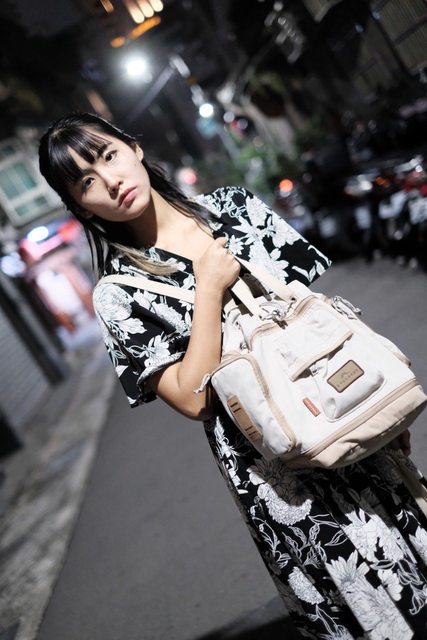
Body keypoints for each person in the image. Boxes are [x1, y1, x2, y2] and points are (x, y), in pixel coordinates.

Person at [38, 112, 427, 639]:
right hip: (272, 464)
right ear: (81, 206)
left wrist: (374, 400)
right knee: (360, 598)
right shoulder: (118, 294)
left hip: (337, 406)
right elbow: (193, 399)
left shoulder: (235, 208)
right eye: (86, 182)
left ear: (133, 147)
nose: (110, 180)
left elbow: (316, 314)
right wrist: (208, 288)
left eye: (109, 156)